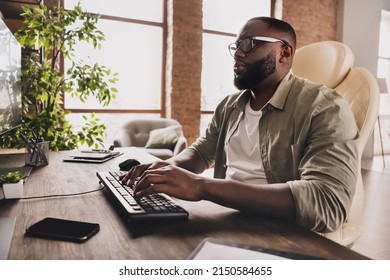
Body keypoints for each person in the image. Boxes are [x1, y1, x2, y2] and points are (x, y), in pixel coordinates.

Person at [121, 16, 359, 233]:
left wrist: (202, 186)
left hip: (281, 232)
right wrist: (164, 170)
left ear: (284, 53)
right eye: (236, 46)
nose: (237, 53)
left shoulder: (326, 107)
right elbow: (202, 151)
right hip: (229, 217)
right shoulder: (229, 106)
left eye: (249, 43)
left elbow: (327, 203)